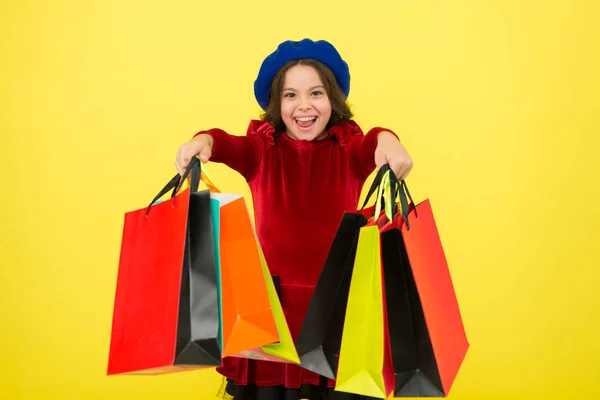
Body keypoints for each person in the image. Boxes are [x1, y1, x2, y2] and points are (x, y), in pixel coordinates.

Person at [175, 38, 414, 400]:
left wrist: (389, 140)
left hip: (337, 308)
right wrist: (202, 140)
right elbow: (225, 143)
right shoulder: (262, 150)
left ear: (333, 100)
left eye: (316, 93)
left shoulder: (348, 151)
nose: (304, 106)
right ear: (277, 103)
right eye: (290, 95)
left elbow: (375, 144)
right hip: (274, 313)